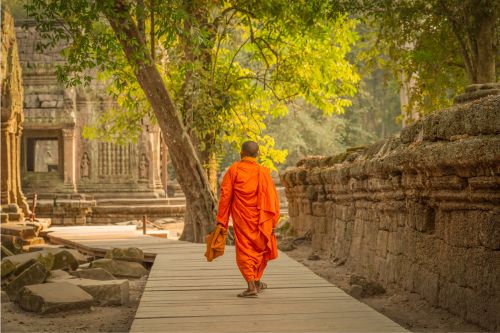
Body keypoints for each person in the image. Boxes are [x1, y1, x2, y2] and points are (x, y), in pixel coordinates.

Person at [216, 141, 280, 297]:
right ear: (257, 155)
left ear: (241, 153)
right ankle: (256, 280)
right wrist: (272, 221)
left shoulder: (234, 170)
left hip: (243, 219)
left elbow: (225, 196)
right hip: (261, 219)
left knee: (245, 250)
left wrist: (221, 219)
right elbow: (273, 199)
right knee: (259, 248)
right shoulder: (264, 172)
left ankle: (252, 286)